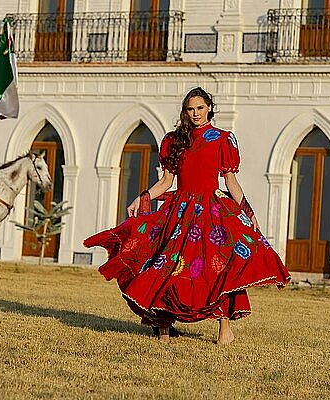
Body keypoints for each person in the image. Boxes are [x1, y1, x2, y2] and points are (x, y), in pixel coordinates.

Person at [84, 87, 291, 344]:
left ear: (209, 109)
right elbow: (166, 181)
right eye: (190, 109)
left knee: (218, 268)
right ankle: (163, 326)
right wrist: (143, 197)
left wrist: (247, 211)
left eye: (200, 108)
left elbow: (231, 181)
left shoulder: (224, 139)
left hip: (212, 212)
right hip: (179, 212)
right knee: (167, 266)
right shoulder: (173, 140)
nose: (195, 114)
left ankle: (224, 327)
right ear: (185, 111)